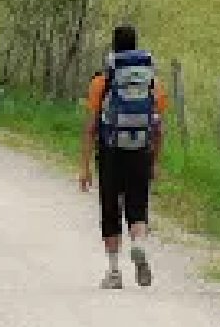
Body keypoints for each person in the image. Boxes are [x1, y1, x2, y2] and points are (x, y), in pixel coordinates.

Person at [79, 25, 168, 290]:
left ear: (114, 48)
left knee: (110, 209)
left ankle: (114, 270)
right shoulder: (152, 84)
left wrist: (85, 167)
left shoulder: (102, 83)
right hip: (140, 151)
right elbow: (159, 128)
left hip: (110, 152)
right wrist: (155, 162)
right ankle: (138, 245)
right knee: (137, 206)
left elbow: (91, 127)